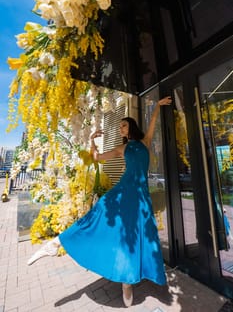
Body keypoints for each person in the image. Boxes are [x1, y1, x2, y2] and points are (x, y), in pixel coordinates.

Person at [27, 96, 172, 307]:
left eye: (123, 125)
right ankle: (57, 243)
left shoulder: (144, 142)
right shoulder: (122, 149)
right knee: (94, 221)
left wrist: (157, 106)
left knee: (139, 235)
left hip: (140, 197)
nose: (121, 129)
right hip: (122, 194)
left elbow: (151, 124)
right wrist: (92, 140)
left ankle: (126, 280)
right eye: (120, 126)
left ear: (131, 126)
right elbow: (97, 158)